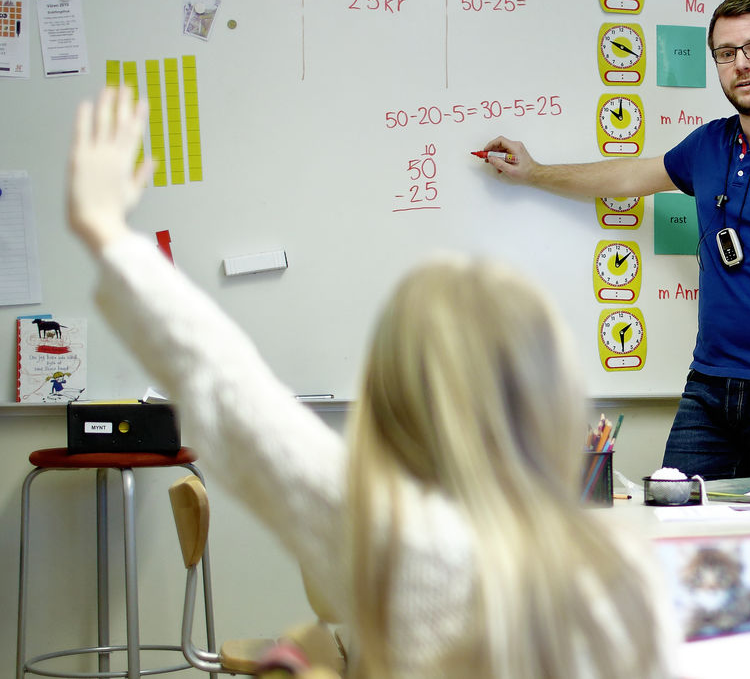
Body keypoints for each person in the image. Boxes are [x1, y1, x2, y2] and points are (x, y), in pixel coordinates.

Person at [66, 87, 674, 679]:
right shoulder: (625, 571)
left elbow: (228, 386)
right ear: (555, 389)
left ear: (391, 393)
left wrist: (107, 234)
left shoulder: (390, 538)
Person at [482, 0, 750, 483]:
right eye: (727, 53)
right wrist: (535, 172)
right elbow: (626, 178)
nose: (742, 64)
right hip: (709, 386)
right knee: (676, 522)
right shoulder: (709, 144)